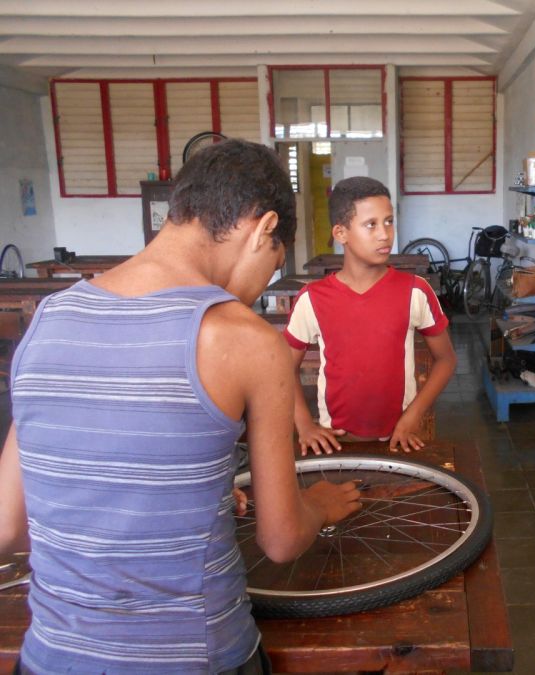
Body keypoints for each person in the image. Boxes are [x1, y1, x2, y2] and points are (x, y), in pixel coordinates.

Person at [0, 139, 362, 674]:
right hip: (194, 656)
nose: (265, 283)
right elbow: (282, 540)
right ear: (263, 229)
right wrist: (322, 506)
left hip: (54, 655)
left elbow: (8, 526)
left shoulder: (48, 318)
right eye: (275, 261)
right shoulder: (244, 338)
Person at [284, 176, 457, 455]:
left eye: (389, 221)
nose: (384, 234)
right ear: (340, 233)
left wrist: (413, 415)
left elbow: (446, 359)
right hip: (336, 441)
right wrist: (304, 424)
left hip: (399, 438)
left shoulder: (415, 291)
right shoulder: (313, 299)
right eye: (371, 224)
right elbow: (283, 368)